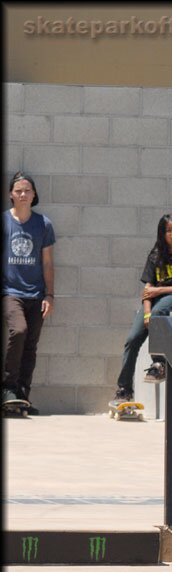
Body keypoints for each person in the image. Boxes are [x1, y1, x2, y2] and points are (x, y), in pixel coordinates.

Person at [113, 214, 172, 403]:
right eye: (169, 230)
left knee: (159, 311)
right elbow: (147, 292)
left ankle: (159, 363)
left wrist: (160, 290)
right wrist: (146, 314)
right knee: (132, 340)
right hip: (153, 304)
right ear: (162, 234)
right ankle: (124, 389)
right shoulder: (155, 256)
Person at [3, 171, 55, 414]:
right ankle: (8, 388)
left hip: (36, 295)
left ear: (34, 195)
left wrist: (49, 295)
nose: (23, 194)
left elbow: (47, 262)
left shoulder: (43, 224)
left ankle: (22, 396)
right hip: (10, 292)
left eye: (28, 190)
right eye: (18, 191)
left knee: (31, 345)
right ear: (10, 195)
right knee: (19, 330)